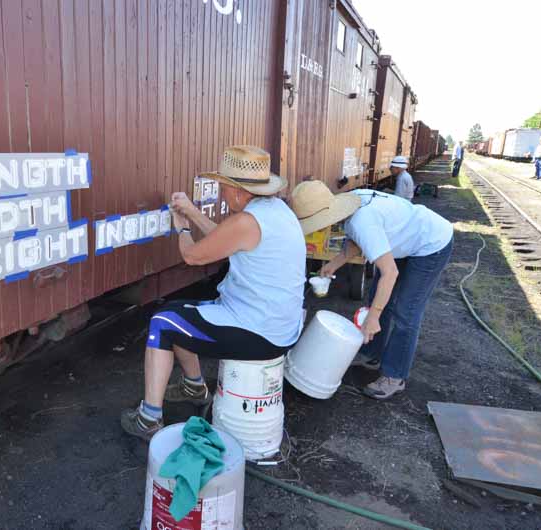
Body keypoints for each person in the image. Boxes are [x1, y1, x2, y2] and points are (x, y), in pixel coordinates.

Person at [121, 146, 306, 440]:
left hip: (261, 333)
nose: (221, 193)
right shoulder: (275, 211)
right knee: (182, 313)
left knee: (162, 323)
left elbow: (194, 256)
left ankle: (149, 419)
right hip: (281, 325)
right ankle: (194, 386)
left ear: (236, 190)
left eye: (223, 187)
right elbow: (225, 239)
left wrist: (182, 228)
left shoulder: (247, 221)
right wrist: (193, 211)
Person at [291, 181, 453, 400]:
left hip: (431, 244)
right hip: (405, 242)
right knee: (376, 299)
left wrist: (374, 316)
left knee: (406, 313)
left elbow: (390, 273)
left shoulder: (362, 222)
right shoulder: (351, 204)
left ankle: (395, 376)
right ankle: (371, 354)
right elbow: (356, 242)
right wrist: (334, 264)